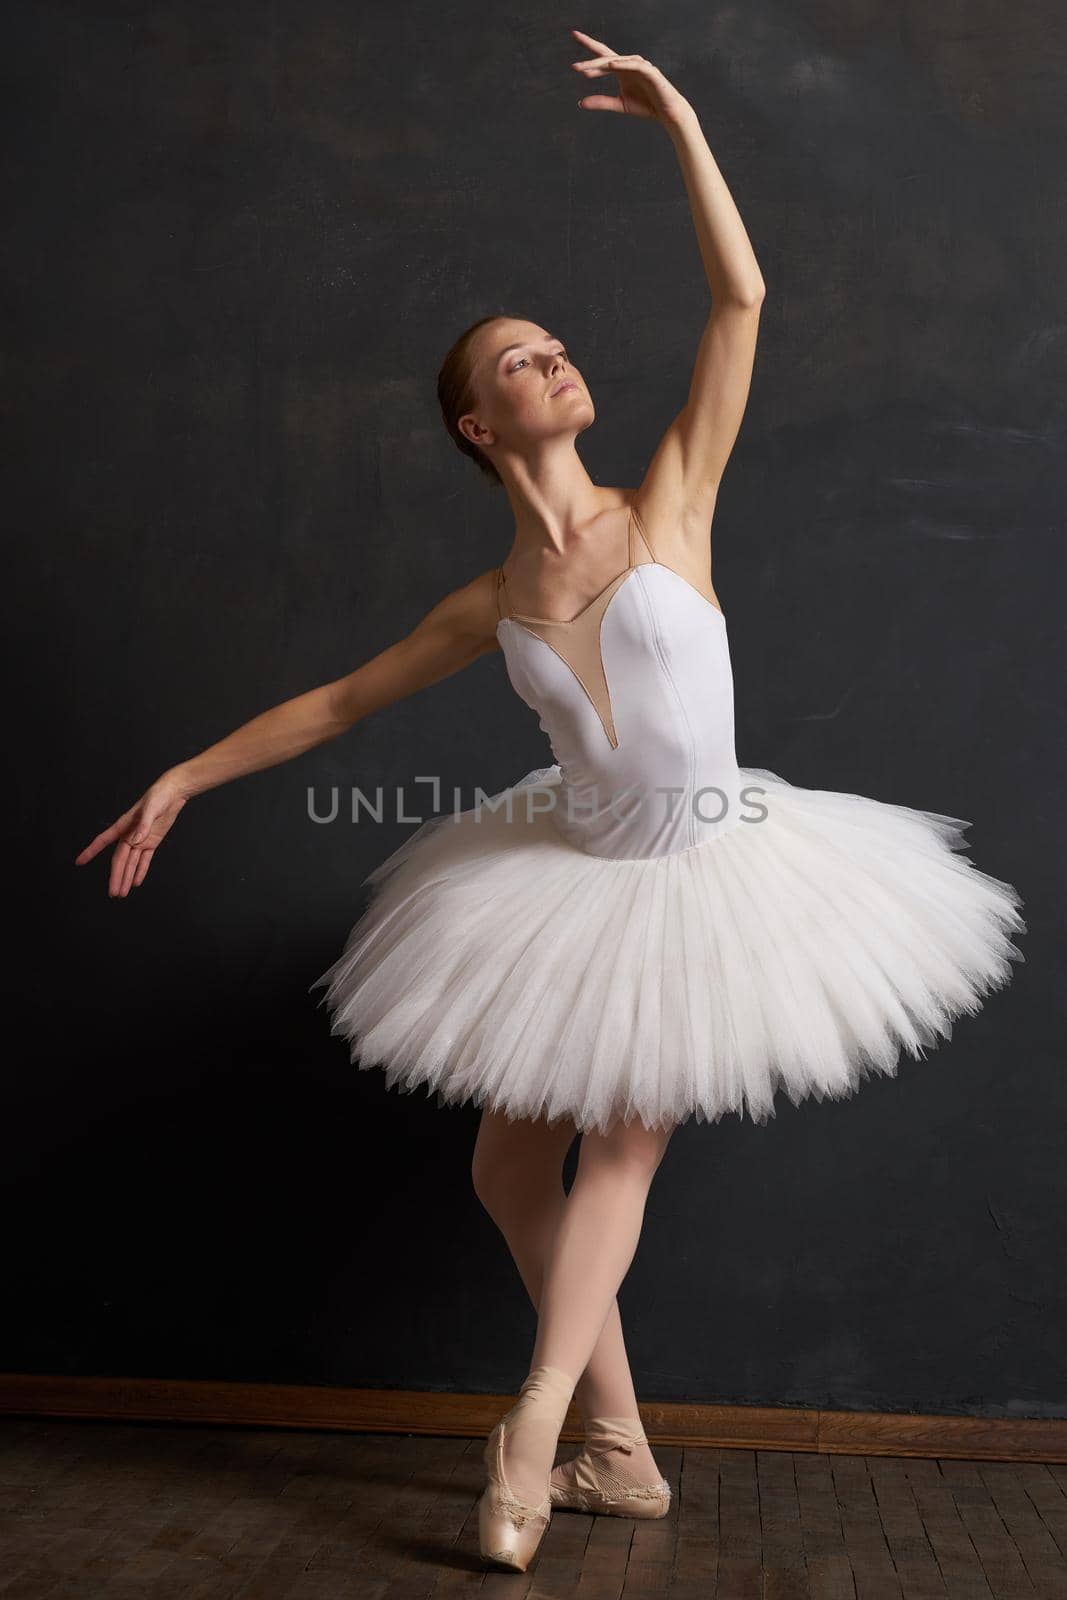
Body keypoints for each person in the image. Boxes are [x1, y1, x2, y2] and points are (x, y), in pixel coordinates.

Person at [76, 31, 1025, 1574]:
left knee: (620, 1148)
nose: (553, 360)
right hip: (574, 867)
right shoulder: (491, 598)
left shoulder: (674, 501)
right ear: (478, 427)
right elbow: (336, 700)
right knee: (506, 1163)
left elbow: (743, 301)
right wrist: (181, 773)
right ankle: (627, 1455)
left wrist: (685, 123)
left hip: (709, 873)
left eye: (554, 344)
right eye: (517, 360)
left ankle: (535, 1429)